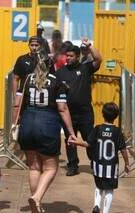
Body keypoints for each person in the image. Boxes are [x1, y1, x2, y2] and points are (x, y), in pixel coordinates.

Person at [12, 54, 76, 213]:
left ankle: (37, 203)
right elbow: (62, 108)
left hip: (27, 123)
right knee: (50, 168)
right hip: (47, 124)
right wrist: (71, 132)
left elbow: (16, 104)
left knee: (33, 167)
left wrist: (14, 124)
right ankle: (37, 197)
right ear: (51, 66)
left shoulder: (27, 80)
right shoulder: (57, 81)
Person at [68, 102, 129, 213]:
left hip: (98, 165)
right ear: (116, 116)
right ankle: (105, 211)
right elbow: (123, 150)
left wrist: (76, 142)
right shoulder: (117, 132)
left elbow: (88, 144)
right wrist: (127, 163)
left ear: (102, 114)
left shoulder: (97, 129)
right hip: (111, 168)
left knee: (99, 186)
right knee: (109, 190)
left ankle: (96, 205)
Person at [56, 38, 102, 176]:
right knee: (70, 139)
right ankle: (73, 165)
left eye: (71, 56)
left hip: (85, 112)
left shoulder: (85, 68)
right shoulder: (60, 72)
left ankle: (94, 162)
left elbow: (98, 59)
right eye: (67, 56)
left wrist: (89, 46)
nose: (68, 58)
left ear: (77, 57)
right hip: (68, 113)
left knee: (89, 138)